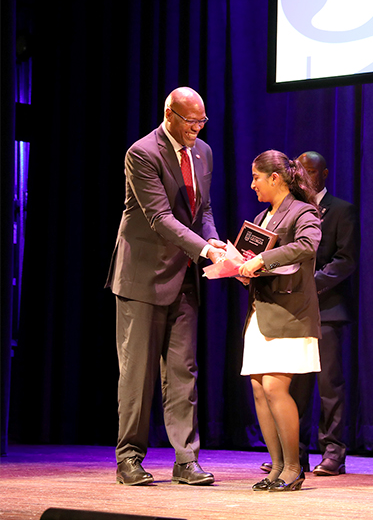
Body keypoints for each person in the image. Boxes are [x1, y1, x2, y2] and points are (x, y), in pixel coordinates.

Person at [106, 87, 225, 486]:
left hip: (185, 274)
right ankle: (129, 459)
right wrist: (206, 248)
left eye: (201, 121)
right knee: (137, 374)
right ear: (169, 114)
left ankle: (185, 459)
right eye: (190, 121)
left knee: (182, 371)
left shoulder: (204, 152)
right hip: (143, 276)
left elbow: (202, 209)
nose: (196, 128)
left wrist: (214, 240)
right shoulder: (142, 152)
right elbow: (158, 217)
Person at [260, 151, 359, 476]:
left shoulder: (341, 210)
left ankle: (333, 451)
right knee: (291, 386)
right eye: (300, 168)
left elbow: (345, 260)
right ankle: (294, 453)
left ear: (325, 173)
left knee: (330, 385)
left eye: (312, 170)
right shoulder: (276, 210)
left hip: (325, 307)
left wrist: (307, 284)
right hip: (290, 306)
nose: (305, 174)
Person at [239, 150, 322, 492]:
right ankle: (275, 467)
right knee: (260, 389)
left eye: (256, 177)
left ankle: (293, 467)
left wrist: (262, 259)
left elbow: (307, 245)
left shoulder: (303, 212)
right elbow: (257, 261)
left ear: (275, 178)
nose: (252, 184)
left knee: (275, 387)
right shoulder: (262, 216)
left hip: (290, 312)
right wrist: (242, 268)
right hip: (262, 311)